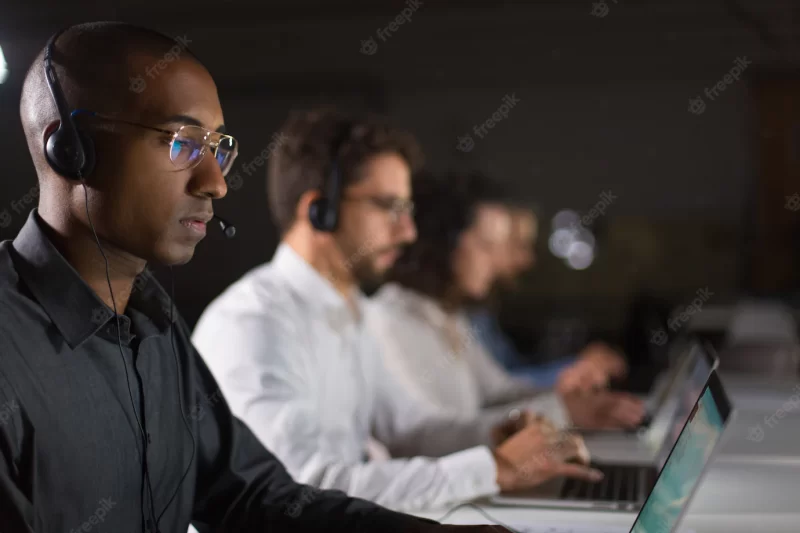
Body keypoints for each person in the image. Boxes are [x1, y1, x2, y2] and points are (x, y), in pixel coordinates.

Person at [0, 21, 508, 533]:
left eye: (218, 147)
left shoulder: (153, 325)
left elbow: (250, 494)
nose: (217, 182)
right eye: (181, 142)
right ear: (70, 149)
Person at [192, 108, 602, 514]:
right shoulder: (253, 323)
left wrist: (496, 435)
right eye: (388, 207)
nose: (408, 232)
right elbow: (300, 489)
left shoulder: (353, 311)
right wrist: (494, 468)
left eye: (407, 210)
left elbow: (409, 429)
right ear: (318, 210)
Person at [368, 172, 646, 432]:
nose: (496, 262)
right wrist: (561, 413)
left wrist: (571, 397)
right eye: (487, 246)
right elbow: (421, 434)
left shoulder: (447, 315)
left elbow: (499, 392)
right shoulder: (390, 319)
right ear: (443, 244)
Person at [469, 205, 629, 393]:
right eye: (518, 245)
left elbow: (508, 373)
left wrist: (576, 366)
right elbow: (496, 390)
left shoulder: (482, 311)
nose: (528, 260)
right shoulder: (464, 313)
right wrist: (574, 369)